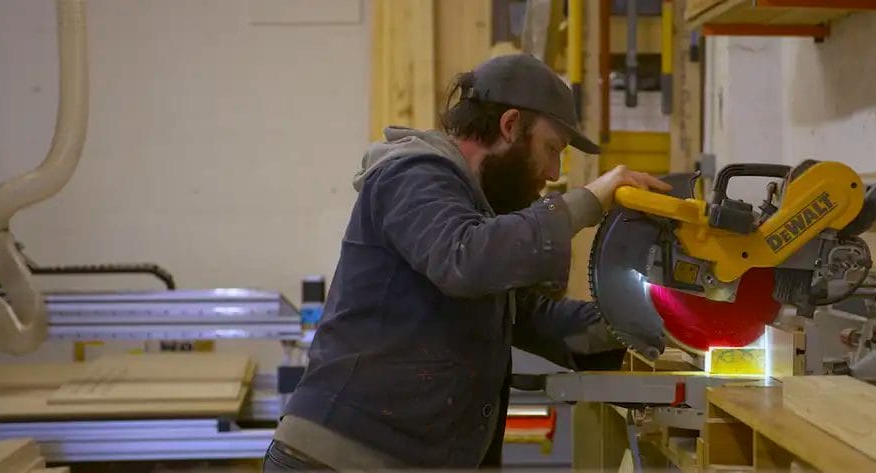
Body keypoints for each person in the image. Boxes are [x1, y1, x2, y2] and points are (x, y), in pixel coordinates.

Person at [264, 53, 671, 471]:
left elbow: (533, 317)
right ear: (510, 125)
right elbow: (464, 258)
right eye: (551, 149)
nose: (553, 172)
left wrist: (656, 319)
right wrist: (588, 202)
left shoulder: (472, 209)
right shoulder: (412, 174)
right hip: (335, 462)